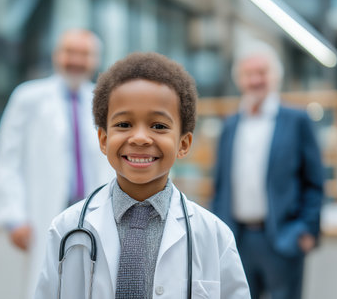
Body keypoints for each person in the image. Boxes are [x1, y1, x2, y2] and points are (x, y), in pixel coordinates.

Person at [34, 52, 251, 298]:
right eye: (124, 124)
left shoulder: (214, 236)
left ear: (183, 143)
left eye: (158, 126)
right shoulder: (67, 229)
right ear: (103, 140)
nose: (139, 138)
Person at [0, 29, 115, 298]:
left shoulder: (103, 101)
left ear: (95, 60)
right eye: (70, 52)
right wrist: (13, 217)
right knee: (47, 285)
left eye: (84, 54)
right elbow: (7, 161)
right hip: (44, 212)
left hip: (92, 214)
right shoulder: (28, 97)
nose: (76, 61)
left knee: (92, 285)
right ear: (57, 55)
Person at [212, 41, 324, 299]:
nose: (255, 80)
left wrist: (307, 229)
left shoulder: (297, 121)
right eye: (248, 74)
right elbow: (220, 186)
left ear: (276, 76)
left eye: (261, 73)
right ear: (239, 79)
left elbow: (314, 181)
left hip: (283, 238)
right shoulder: (229, 126)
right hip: (236, 239)